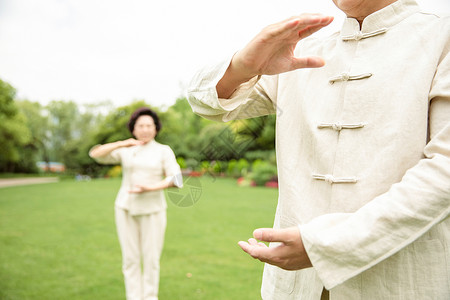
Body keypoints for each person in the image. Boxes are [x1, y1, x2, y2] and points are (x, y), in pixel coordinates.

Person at [187, 0, 449, 299]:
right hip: (295, 287)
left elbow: (444, 170)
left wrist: (327, 244)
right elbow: (206, 103)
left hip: (400, 282)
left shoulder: (442, 34)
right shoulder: (303, 52)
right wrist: (241, 66)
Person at [89, 107, 183, 300]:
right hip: (124, 208)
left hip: (153, 210)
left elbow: (176, 179)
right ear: (133, 129)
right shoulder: (126, 151)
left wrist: (151, 188)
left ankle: (149, 297)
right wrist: (124, 143)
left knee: (151, 259)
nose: (145, 129)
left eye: (149, 125)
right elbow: (96, 154)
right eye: (140, 126)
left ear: (156, 128)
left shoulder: (163, 151)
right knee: (130, 259)